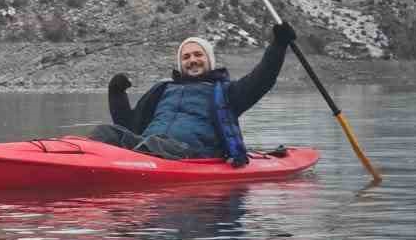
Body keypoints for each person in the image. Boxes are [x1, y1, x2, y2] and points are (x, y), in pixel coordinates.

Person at [90, 24, 296, 163]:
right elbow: (129, 125)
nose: (192, 60)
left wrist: (278, 45)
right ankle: (85, 163)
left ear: (209, 60)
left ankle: (128, 164)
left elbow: (261, 80)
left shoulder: (226, 92)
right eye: (186, 57)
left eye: (198, 55)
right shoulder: (162, 89)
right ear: (181, 64)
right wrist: (116, 93)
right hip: (147, 148)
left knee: (154, 143)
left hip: (192, 153)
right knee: (105, 132)